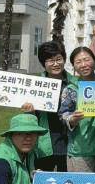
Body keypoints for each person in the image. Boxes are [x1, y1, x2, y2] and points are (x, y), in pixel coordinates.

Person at [21, 41, 76, 172]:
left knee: (67, 180)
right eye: (51, 61)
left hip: (69, 139)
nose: (56, 64)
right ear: (43, 63)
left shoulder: (75, 83)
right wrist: (29, 111)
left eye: (59, 59)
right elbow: (29, 119)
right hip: (44, 139)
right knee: (42, 178)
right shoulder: (34, 85)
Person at [58, 47, 95, 172]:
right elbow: (63, 115)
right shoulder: (70, 89)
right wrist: (72, 119)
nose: (83, 65)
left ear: (94, 61)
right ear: (73, 66)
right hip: (81, 149)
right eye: (78, 62)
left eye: (87, 60)